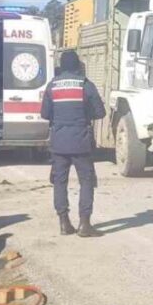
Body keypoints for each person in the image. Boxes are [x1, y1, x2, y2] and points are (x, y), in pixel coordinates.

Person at [40, 50, 106, 237]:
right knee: (86, 181)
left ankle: (64, 223)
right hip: (81, 142)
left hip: (59, 142)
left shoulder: (52, 86)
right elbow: (100, 113)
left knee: (59, 182)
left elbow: (45, 114)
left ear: (61, 66)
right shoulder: (85, 85)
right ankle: (84, 224)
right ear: (78, 65)